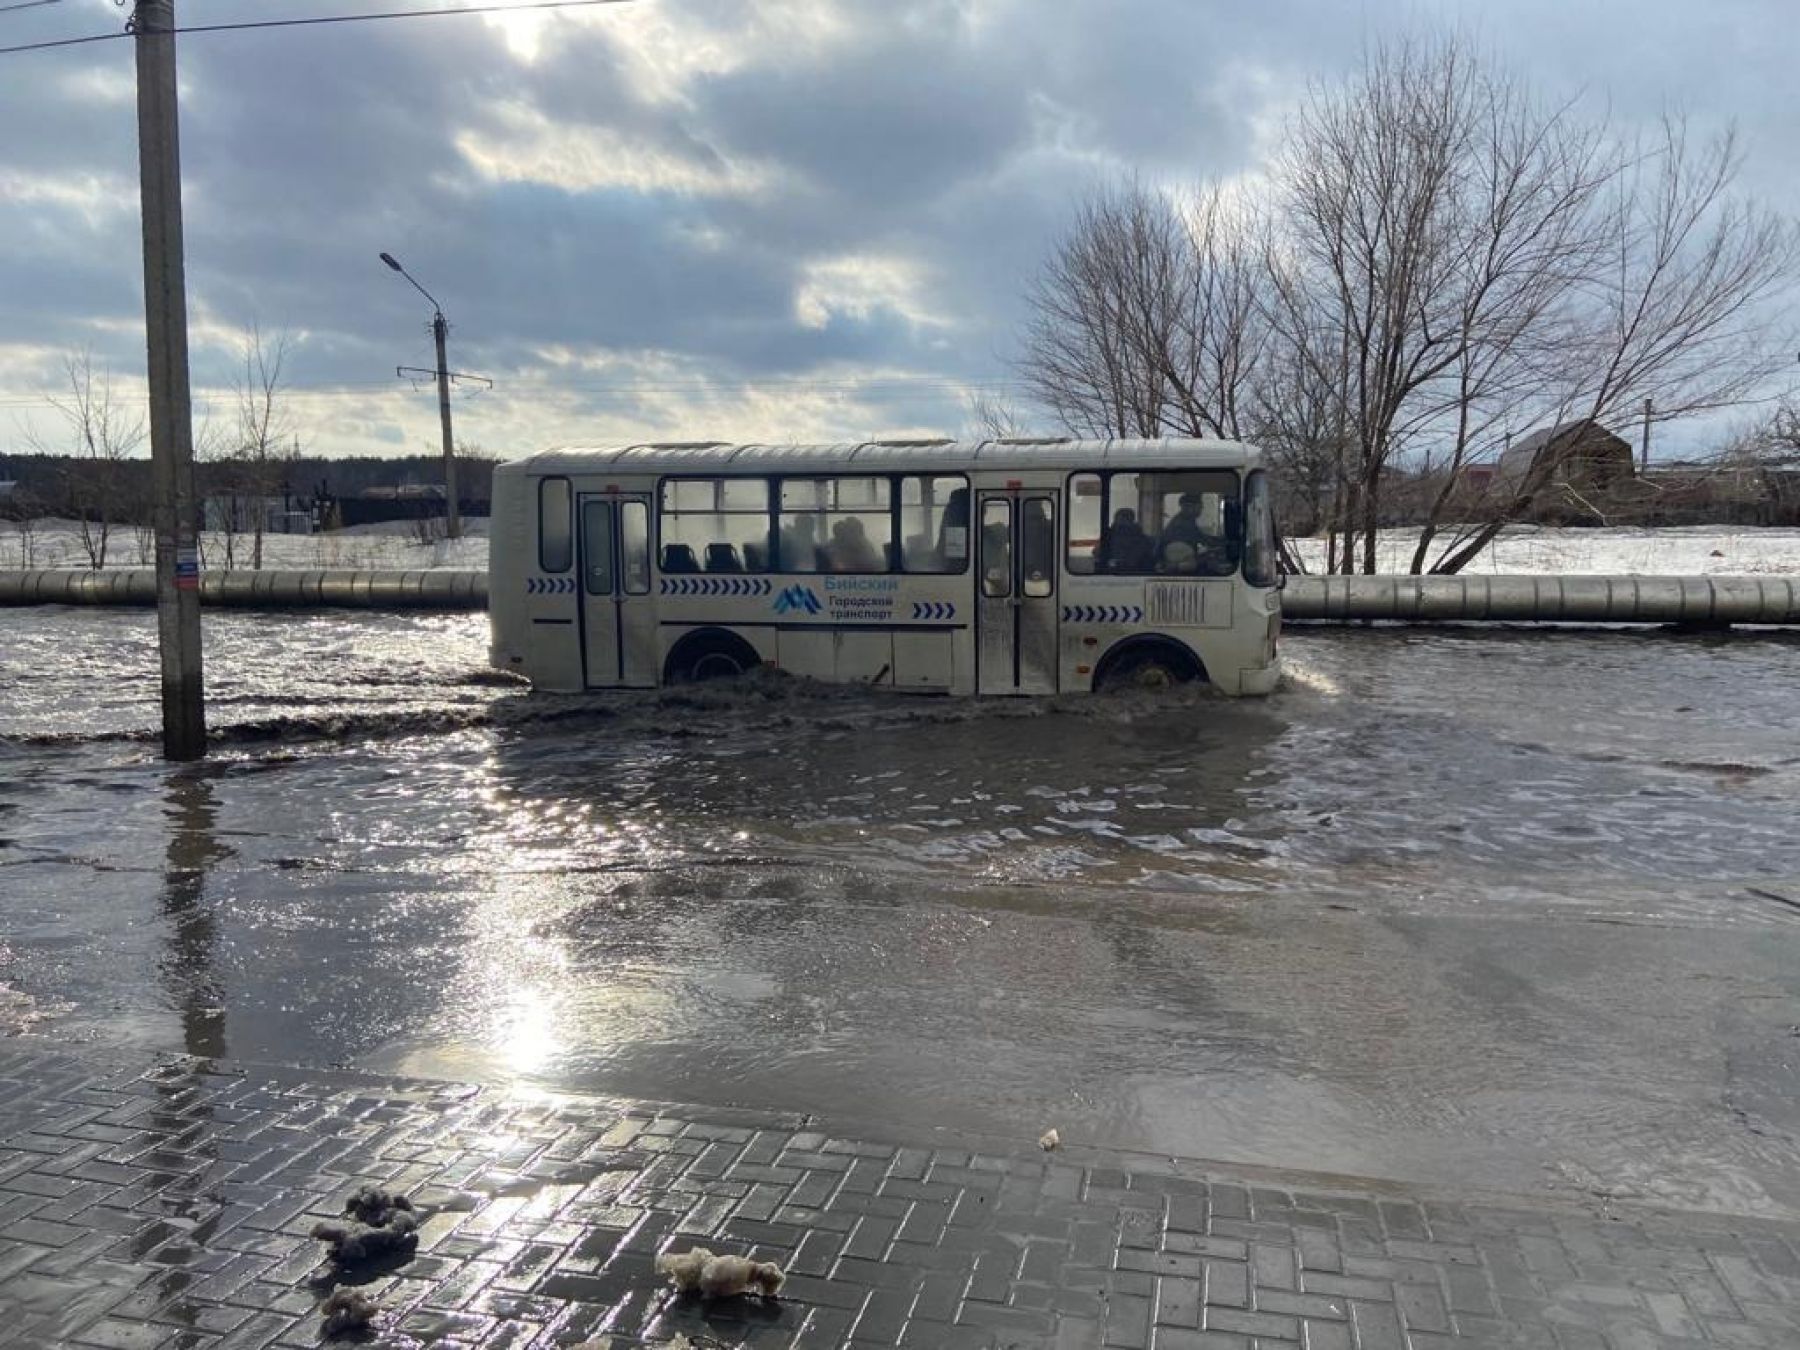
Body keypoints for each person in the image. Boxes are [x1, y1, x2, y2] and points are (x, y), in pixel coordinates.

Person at [1097, 507, 1154, 574]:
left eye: (1125, 518)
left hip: (1115, 573)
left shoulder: (1108, 536)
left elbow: (1098, 554)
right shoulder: (1144, 539)